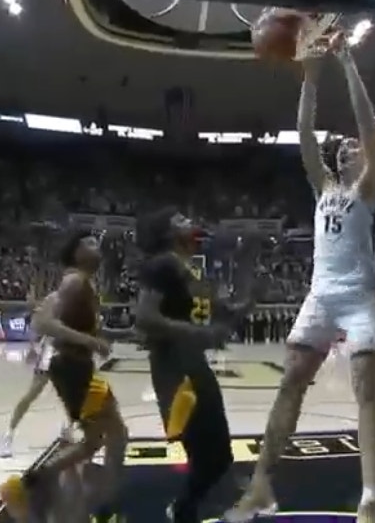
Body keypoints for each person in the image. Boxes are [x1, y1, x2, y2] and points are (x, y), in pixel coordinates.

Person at [226, 31, 375, 523]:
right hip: (320, 296)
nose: (344, 152)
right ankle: (260, 488)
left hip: (361, 295)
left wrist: (345, 61)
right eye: (338, 149)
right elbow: (303, 134)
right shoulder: (323, 189)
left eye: (350, 148)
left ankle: (370, 499)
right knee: (290, 383)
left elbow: (368, 127)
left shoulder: (374, 184)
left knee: (366, 390)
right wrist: (311, 77)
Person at [0, 232, 127, 522]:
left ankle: (24, 485)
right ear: (75, 252)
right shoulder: (75, 282)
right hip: (72, 367)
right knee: (118, 434)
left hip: (74, 367)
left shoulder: (81, 283)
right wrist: (90, 342)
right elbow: (41, 322)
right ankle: (107, 508)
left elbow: (78, 328)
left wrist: (102, 338)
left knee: (93, 442)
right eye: (89, 242)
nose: (97, 246)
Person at [133, 208, 242, 523]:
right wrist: (200, 333)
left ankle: (185, 507)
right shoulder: (163, 264)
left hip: (193, 363)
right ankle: (184, 510)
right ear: (167, 233)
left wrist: (236, 309)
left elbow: (202, 314)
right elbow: (145, 317)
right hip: (174, 368)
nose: (190, 221)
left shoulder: (189, 268)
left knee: (217, 455)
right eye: (180, 220)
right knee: (211, 455)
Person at [0, 271, 75, 458]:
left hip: (68, 351)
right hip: (52, 350)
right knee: (32, 394)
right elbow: (37, 323)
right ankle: (8, 436)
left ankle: (68, 431)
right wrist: (33, 345)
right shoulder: (54, 300)